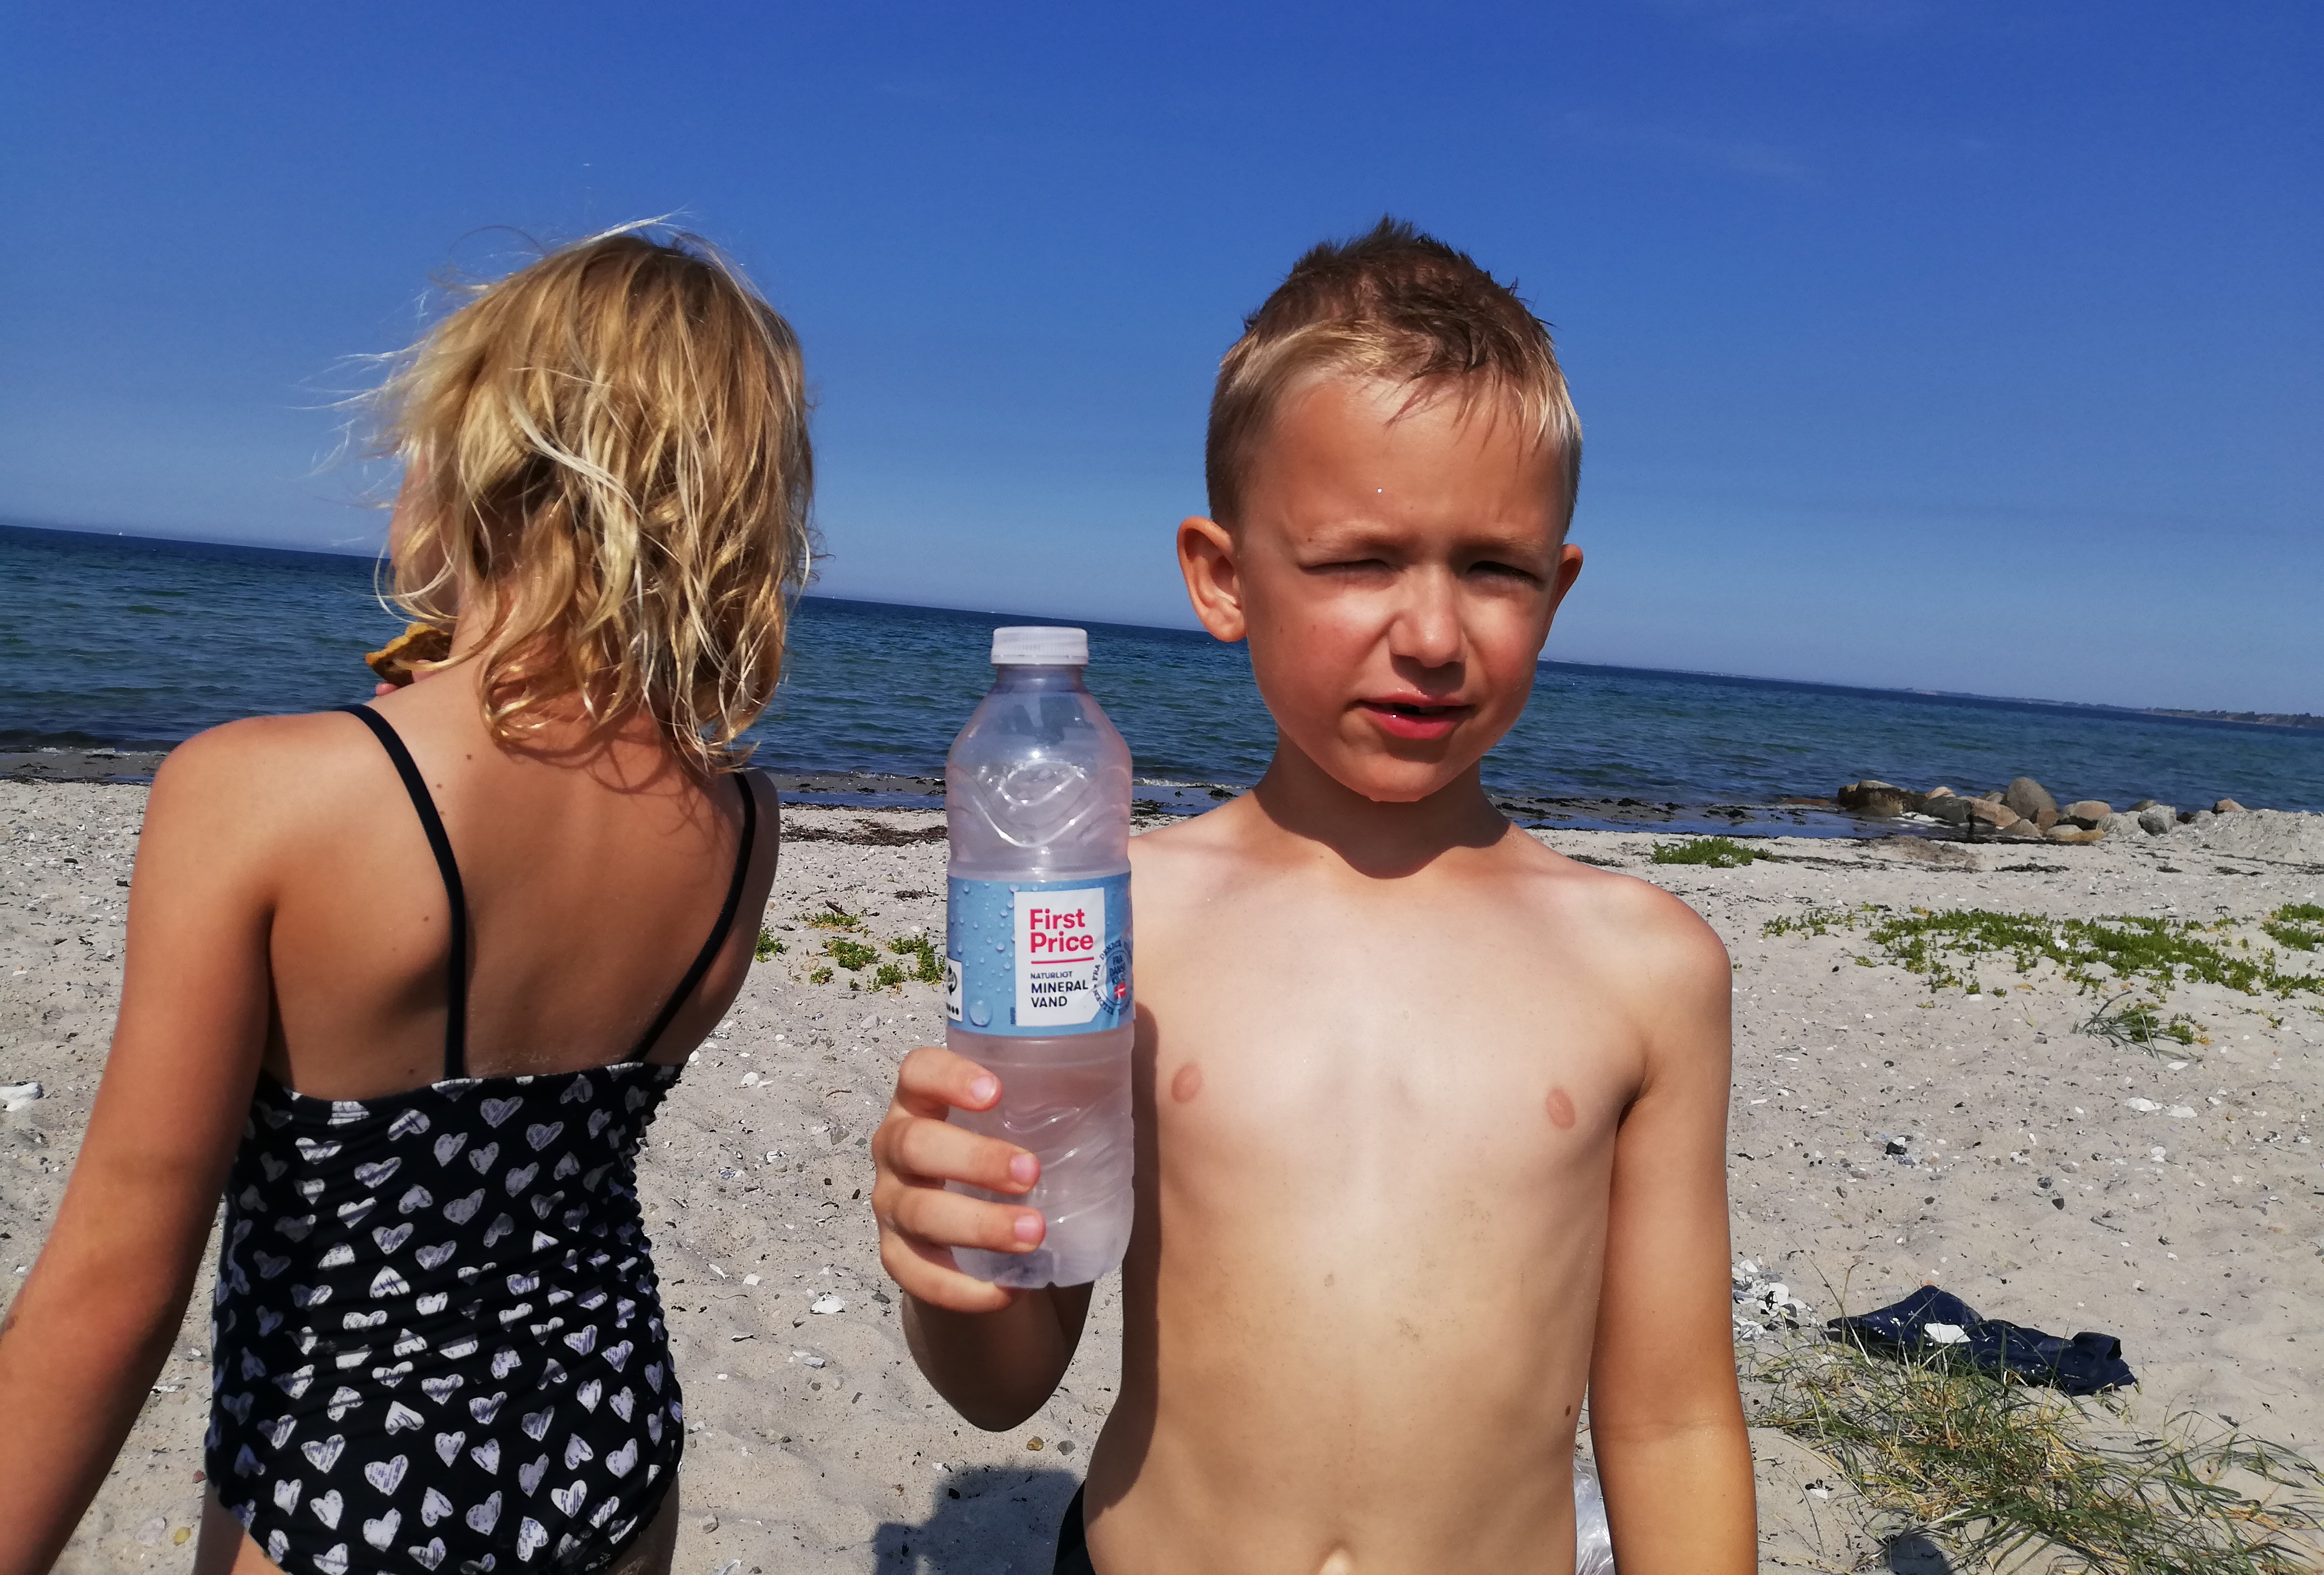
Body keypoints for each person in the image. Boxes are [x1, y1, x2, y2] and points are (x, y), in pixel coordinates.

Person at [871, 220, 1754, 1573]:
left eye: (1495, 568)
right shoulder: (1125, 924)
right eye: (1360, 562)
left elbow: (1675, 1422)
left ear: (1557, 590)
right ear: (1224, 578)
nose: (1434, 634)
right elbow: (1009, 1385)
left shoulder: (1645, 969)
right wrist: (954, 1262)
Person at [0, 227, 810, 1575]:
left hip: (341, 1492)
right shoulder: (741, 825)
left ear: (491, 463)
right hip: (610, 1457)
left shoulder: (255, 793)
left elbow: (111, 1286)